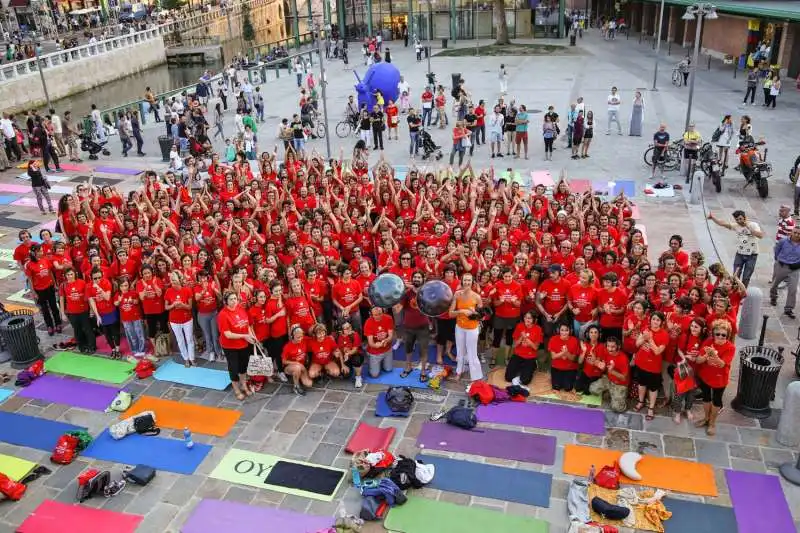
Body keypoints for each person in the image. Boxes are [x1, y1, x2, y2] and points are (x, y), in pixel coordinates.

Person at [694, 320, 735, 436]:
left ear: (728, 336)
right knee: (706, 397)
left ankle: (712, 423)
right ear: (713, 334)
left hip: (720, 378)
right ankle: (706, 418)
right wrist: (706, 355)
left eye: (724, 335)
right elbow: (698, 360)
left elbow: (722, 364)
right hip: (705, 375)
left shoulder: (730, 347)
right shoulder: (708, 341)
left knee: (717, 400)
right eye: (718, 334)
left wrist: (714, 355)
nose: (720, 337)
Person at [707, 210, 763, 287]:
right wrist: (713, 218)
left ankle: (743, 292)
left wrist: (748, 227)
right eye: (737, 219)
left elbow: (760, 235)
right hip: (740, 254)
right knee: (735, 275)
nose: (739, 221)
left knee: (746, 277)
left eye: (740, 219)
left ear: (745, 217)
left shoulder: (753, 225)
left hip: (752, 255)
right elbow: (723, 224)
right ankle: (735, 290)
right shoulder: (736, 226)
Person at [634, 311, 669, 421]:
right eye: (653, 319)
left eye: (658, 320)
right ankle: (641, 401)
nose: (655, 322)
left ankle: (651, 407)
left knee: (653, 388)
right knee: (641, 383)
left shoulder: (664, 334)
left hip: (654, 366)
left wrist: (650, 339)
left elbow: (658, 351)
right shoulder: (646, 329)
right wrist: (643, 338)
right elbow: (637, 344)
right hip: (641, 362)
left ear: (662, 322)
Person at [450, 272, 482, 389]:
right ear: (462, 281)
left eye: (469, 280)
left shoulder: (477, 297)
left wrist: (473, 313)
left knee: (472, 352)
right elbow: (450, 313)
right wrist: (462, 311)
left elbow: (482, 315)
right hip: (459, 327)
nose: (467, 282)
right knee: (460, 350)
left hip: (472, 329)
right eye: (465, 280)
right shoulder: (457, 294)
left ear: (472, 282)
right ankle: (459, 371)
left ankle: (476, 377)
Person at [399, 270, 431, 381]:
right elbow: (398, 308)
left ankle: (423, 371)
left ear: (423, 280)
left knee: (423, 350)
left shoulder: (426, 292)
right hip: (408, 326)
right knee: (408, 349)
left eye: (419, 277)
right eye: (415, 277)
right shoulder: (407, 293)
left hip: (423, 327)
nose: (416, 279)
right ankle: (408, 367)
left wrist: (416, 291)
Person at [25, 243, 62, 336]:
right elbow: (30, 279)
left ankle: (58, 323)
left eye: (42, 250)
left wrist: (54, 284)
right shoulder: (29, 265)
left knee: (54, 307)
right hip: (39, 290)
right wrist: (33, 292)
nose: (42, 252)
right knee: (45, 309)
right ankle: (49, 326)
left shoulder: (45, 259)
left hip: (49, 287)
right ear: (34, 253)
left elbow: (50, 272)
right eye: (39, 251)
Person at [588, 336, 629, 412]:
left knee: (617, 408)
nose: (610, 349)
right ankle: (610, 392)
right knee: (592, 389)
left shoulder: (623, 358)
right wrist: (596, 363)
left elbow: (624, 378)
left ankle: (620, 395)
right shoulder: (606, 351)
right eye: (608, 346)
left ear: (618, 346)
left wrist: (612, 371)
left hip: (620, 384)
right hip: (609, 379)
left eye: (613, 347)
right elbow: (603, 367)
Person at [60, 267, 95, 353]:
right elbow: (61, 299)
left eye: (71, 274)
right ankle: (82, 346)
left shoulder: (82, 283)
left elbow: (88, 297)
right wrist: (63, 313)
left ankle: (92, 346)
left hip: (84, 310)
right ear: (65, 276)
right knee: (77, 330)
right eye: (68, 275)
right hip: (72, 313)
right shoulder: (63, 285)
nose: (70, 276)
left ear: (75, 274)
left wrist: (91, 309)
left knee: (88, 329)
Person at [164, 271, 195, 367]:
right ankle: (185, 358)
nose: (172, 282)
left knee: (189, 339)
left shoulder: (187, 290)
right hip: (174, 320)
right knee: (180, 340)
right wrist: (173, 305)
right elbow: (166, 307)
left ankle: (192, 358)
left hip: (187, 319)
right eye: (171, 280)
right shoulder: (168, 291)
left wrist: (182, 305)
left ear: (179, 279)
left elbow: (190, 307)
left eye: (174, 279)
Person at [770, 226, 800, 318]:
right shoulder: (783, 241)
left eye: (799, 234)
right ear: (791, 232)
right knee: (775, 284)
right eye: (795, 232)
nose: (797, 235)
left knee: (793, 289)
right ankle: (773, 297)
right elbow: (776, 251)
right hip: (781, 266)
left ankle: (788, 309)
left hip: (794, 269)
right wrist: (779, 261)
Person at [505, 311, 542, 386]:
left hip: (530, 356)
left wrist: (527, 340)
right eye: (525, 317)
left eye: (529, 318)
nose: (527, 320)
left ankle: (533, 365)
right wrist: (521, 337)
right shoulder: (519, 326)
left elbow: (535, 348)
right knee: (508, 378)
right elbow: (515, 345)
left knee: (525, 381)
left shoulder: (538, 329)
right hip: (518, 355)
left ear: (534, 320)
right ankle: (521, 367)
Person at [363, 305, 394, 378]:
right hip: (375, 352)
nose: (378, 316)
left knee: (388, 369)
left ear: (383, 311)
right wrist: (376, 345)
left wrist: (386, 340)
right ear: (371, 314)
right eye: (376, 315)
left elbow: (390, 336)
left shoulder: (388, 318)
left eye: (380, 313)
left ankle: (381, 362)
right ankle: (370, 358)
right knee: (374, 375)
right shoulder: (368, 322)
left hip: (387, 349)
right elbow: (371, 343)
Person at [548, 323, 579, 391]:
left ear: (570, 331)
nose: (564, 332)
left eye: (566, 330)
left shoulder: (574, 340)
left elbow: (573, 358)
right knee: (556, 387)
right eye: (562, 330)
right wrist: (562, 353)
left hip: (570, 368)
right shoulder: (553, 339)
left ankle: (571, 378)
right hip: (556, 367)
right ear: (558, 330)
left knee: (567, 388)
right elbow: (553, 356)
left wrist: (567, 353)